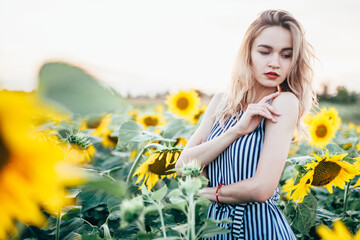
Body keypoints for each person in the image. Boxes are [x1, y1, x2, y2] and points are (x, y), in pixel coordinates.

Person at [175, 9, 316, 239]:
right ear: (248, 52)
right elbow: (183, 165)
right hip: (216, 231)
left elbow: (261, 189)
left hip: (260, 230)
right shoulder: (221, 102)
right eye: (265, 51)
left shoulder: (284, 102)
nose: (275, 63)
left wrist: (203, 192)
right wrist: (237, 130)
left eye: (286, 55)